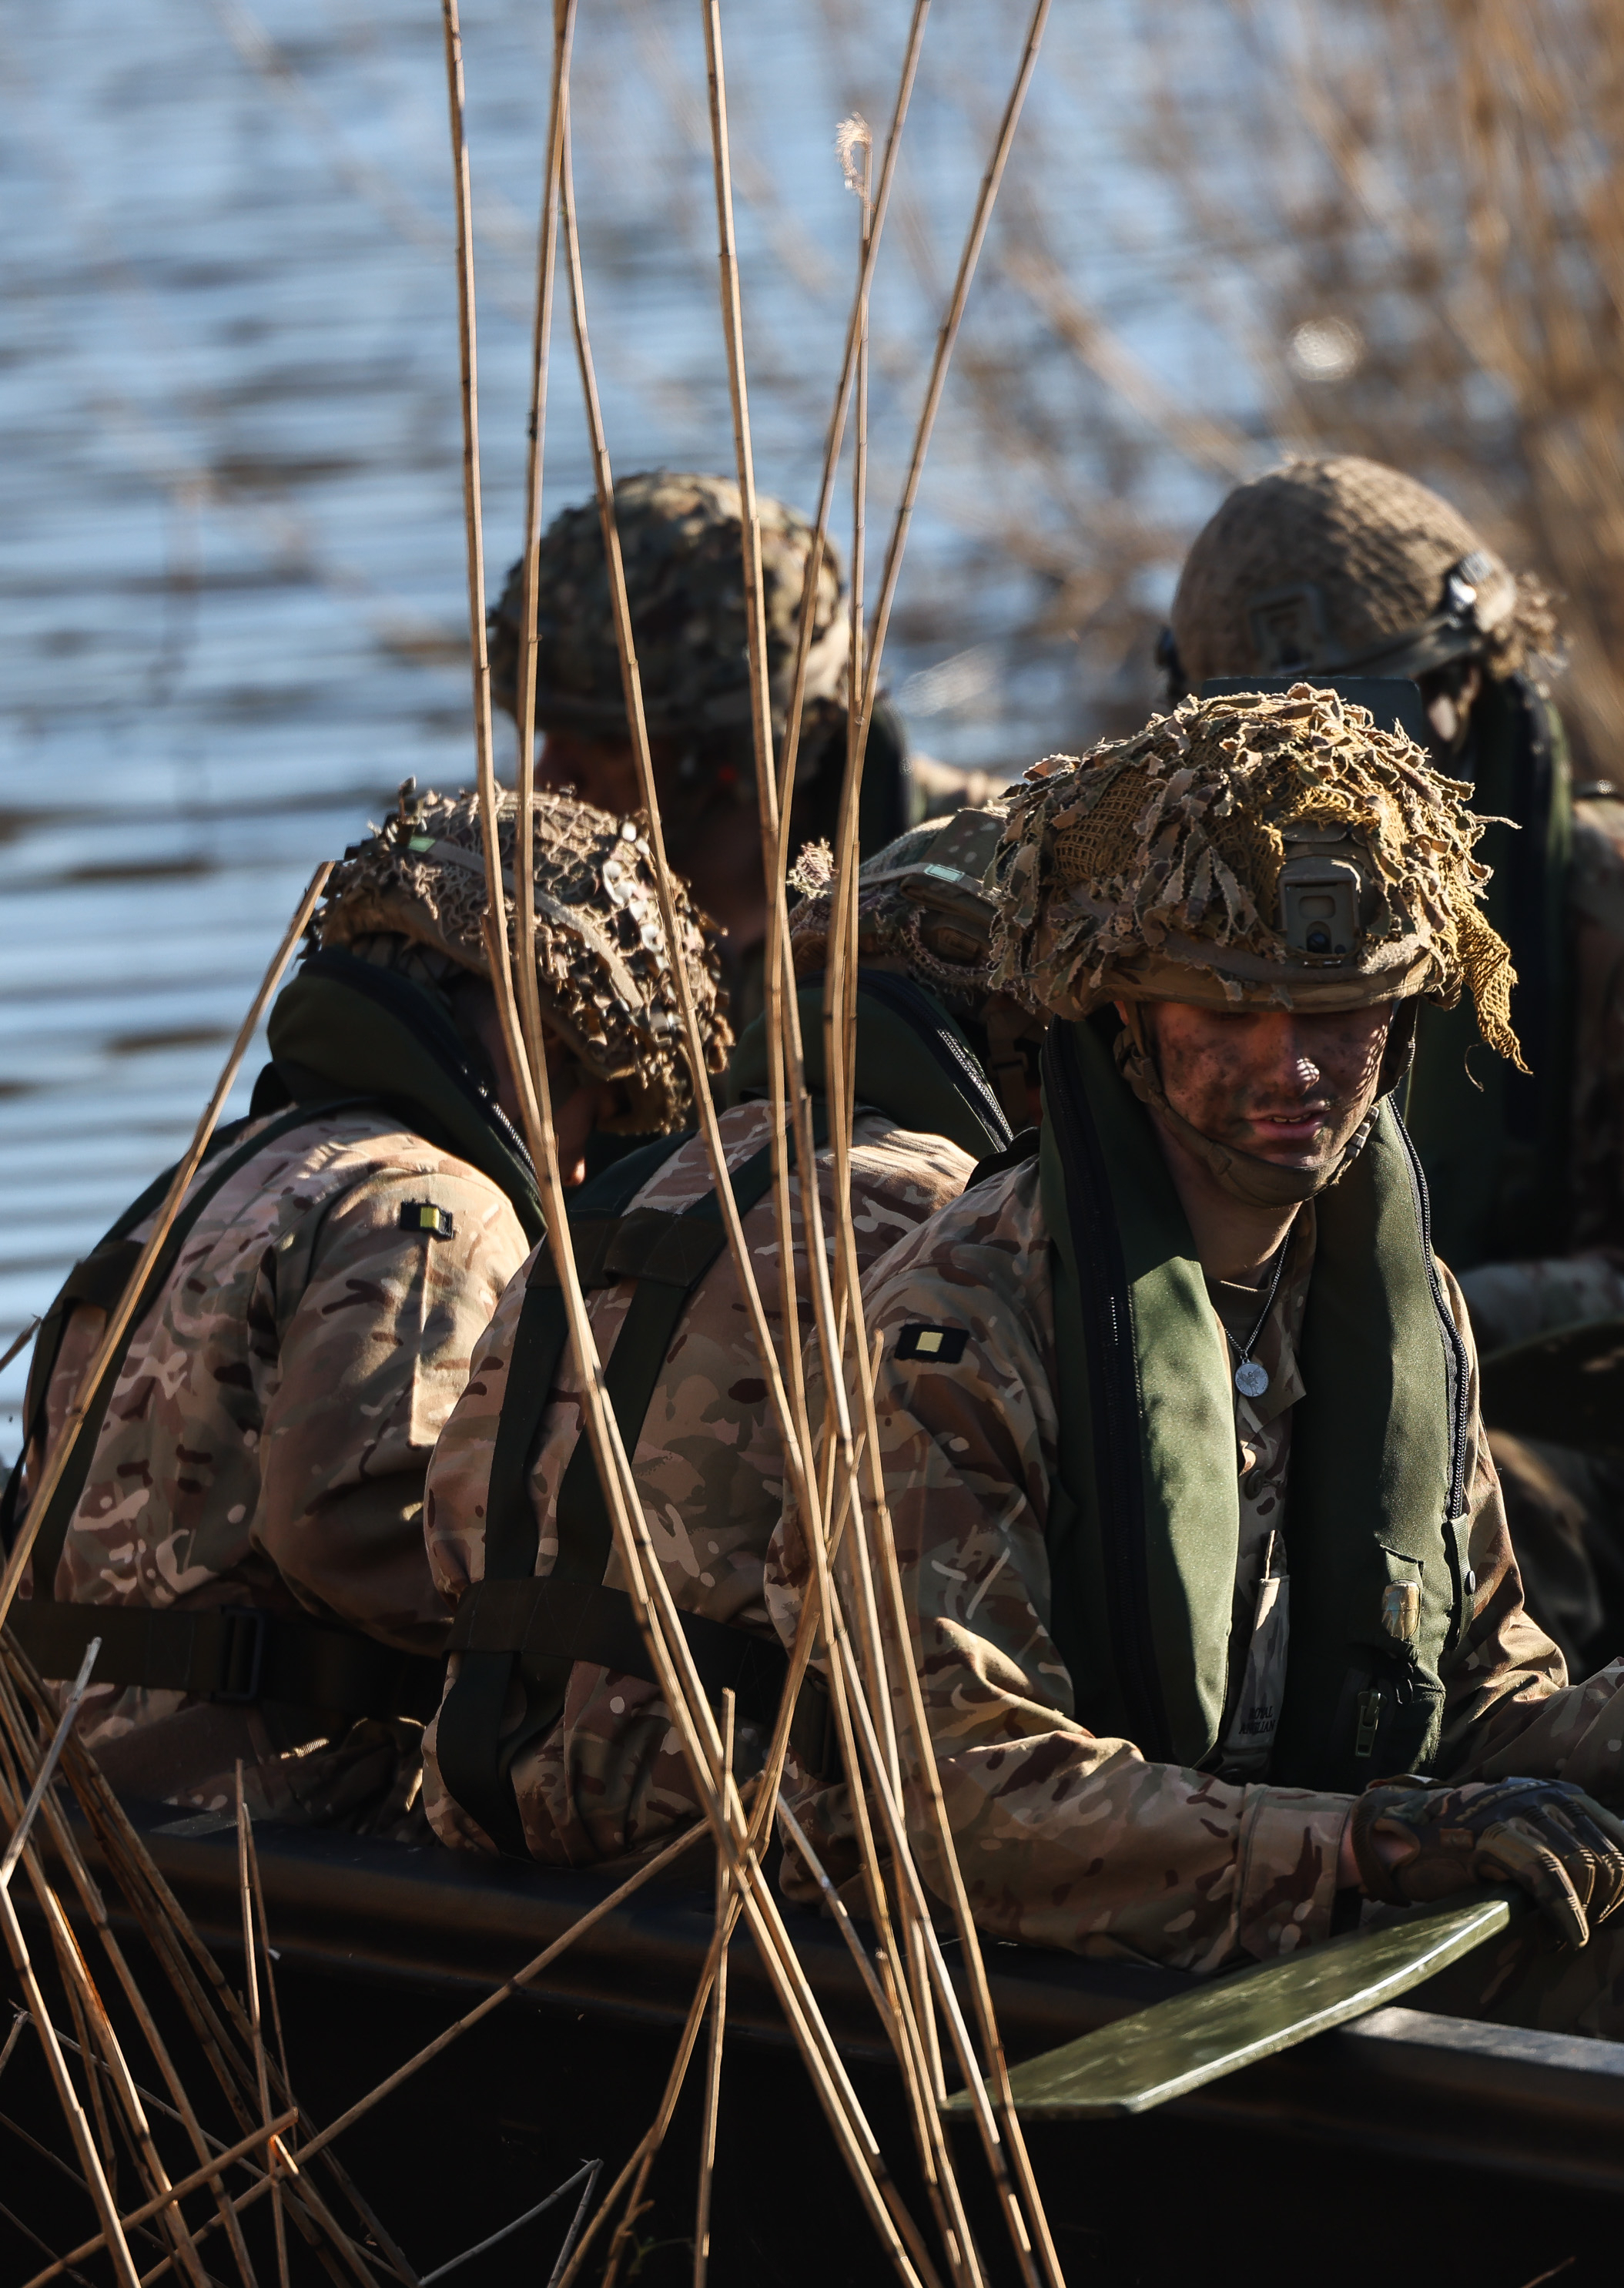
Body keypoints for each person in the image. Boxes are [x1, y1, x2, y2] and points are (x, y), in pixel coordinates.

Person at [768, 689, 1624, 2095]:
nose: (1295, 1068)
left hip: (1345, 1867)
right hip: (1109, 1936)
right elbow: (960, 1800)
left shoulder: (1398, 1310)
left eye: (1343, 1015)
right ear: (1124, 1021)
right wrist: (1372, 1849)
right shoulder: (966, 1321)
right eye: (1232, 1011)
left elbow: (1491, 1705)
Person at [1162, 457, 1624, 1671]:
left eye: (1370, 728)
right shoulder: (1190, 948)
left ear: (1468, 691)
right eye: (1258, 742)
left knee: (1434, 1530)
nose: (1329, 786)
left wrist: (1424, 1308)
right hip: (1326, 1410)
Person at [2, 785, 725, 1831]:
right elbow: (352, 1523)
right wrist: (607, 1617)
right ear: (534, 1040)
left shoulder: (216, 1174)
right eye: (586, 1105)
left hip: (73, 1802)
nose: (573, 1162)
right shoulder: (436, 1200)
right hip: (264, 1818)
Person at [418, 818, 1033, 1864]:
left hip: (482, 1808)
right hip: (737, 1836)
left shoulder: (630, 1184)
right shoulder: (950, 1215)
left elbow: (457, 1506)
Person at [490, 471, 1003, 1024]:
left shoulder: (997, 892)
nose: (546, 780)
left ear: (739, 756)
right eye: (543, 734)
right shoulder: (527, 919)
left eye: (612, 745)